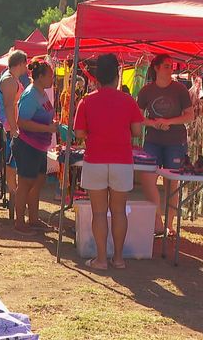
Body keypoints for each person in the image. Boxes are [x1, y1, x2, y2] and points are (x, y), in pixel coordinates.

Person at [74, 54, 143, 270]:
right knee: (119, 211)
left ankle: (101, 259)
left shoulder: (86, 100)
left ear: (96, 77)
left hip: (95, 159)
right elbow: (137, 131)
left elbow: (79, 132)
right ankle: (119, 259)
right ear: (117, 75)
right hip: (122, 160)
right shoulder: (128, 100)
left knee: (99, 212)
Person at [137, 54, 194, 236]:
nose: (171, 70)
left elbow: (190, 116)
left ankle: (169, 224)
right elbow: (137, 117)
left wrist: (169, 121)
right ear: (156, 68)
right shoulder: (146, 91)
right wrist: (153, 123)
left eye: (172, 66)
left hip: (175, 141)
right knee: (147, 179)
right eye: (167, 66)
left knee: (172, 183)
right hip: (152, 140)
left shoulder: (180, 89)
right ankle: (157, 221)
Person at [12, 59, 56, 235]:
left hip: (39, 146)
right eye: (50, 76)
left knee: (38, 182)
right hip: (27, 145)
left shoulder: (42, 93)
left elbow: (42, 115)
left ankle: (34, 219)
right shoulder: (31, 94)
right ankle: (19, 222)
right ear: (40, 77)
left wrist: (52, 125)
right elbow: (21, 122)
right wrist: (48, 128)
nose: (52, 79)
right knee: (25, 183)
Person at [0, 50, 29, 215]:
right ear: (20, 63)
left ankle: (13, 196)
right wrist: (15, 129)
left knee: (12, 165)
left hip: (9, 128)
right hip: (8, 129)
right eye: (26, 63)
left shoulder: (11, 78)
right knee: (11, 166)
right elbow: (9, 106)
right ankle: (13, 197)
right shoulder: (9, 80)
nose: (27, 67)